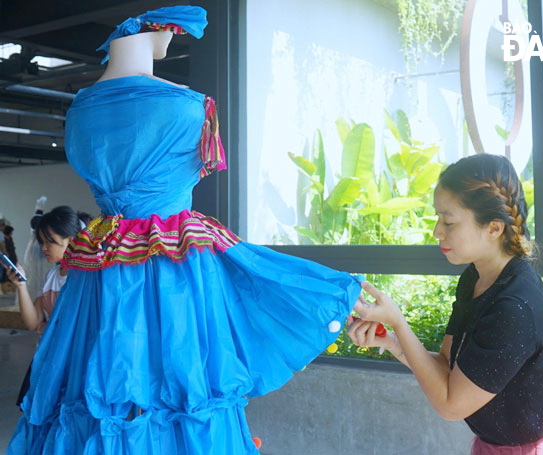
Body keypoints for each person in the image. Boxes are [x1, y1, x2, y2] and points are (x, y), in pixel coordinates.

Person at [7, 6, 362, 455]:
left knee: (96, 387)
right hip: (175, 270)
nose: (174, 42)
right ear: (160, 33)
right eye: (174, 35)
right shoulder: (187, 104)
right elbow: (236, 254)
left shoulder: (80, 109)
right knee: (182, 384)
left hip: (99, 269)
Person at [348, 154, 543, 454]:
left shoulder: (514, 305)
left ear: (494, 228)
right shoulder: (475, 279)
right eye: (438, 218)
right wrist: (390, 340)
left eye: (449, 221)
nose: (436, 232)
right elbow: (446, 369)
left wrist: (399, 323)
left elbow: (451, 404)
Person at [3, 206, 92, 406]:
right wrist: (21, 286)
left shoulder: (86, 277)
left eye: (50, 242)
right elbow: (32, 322)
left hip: (75, 364)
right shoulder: (53, 275)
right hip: (50, 360)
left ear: (72, 241)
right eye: (43, 242)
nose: (44, 248)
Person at [21, 196, 52, 301]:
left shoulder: (35, 224)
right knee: (39, 272)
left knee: (35, 272)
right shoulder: (39, 225)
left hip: (33, 248)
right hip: (36, 248)